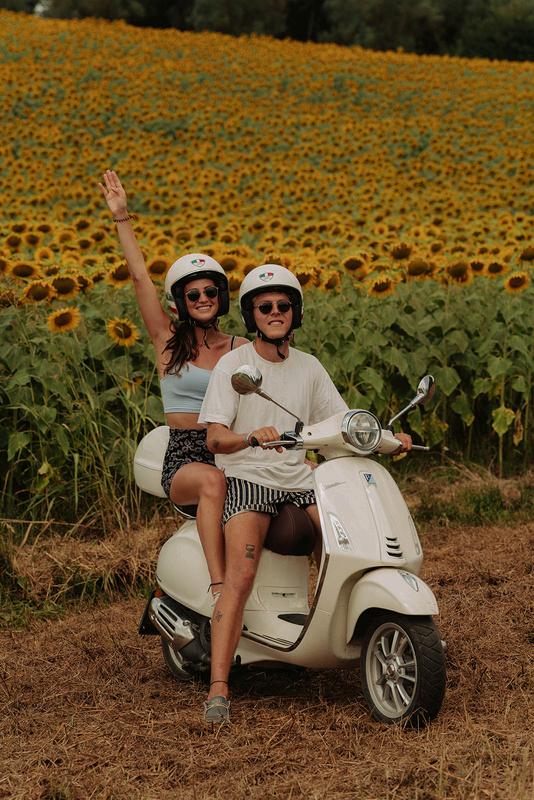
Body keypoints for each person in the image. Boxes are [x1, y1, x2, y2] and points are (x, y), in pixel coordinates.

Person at [198, 264, 412, 723]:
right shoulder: (236, 367)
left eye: (284, 305)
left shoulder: (309, 366)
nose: (275, 312)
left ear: (295, 312)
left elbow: (340, 421)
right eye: (265, 306)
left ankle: (341, 631)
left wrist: (388, 439)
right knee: (242, 573)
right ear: (252, 315)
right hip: (248, 478)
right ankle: (218, 689)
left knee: (343, 541)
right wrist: (251, 437)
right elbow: (214, 437)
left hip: (299, 479)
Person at [98, 169, 247, 621]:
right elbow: (140, 279)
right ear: (179, 302)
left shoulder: (241, 348)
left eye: (209, 291)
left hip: (233, 448)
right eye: (192, 293)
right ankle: (219, 590)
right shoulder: (167, 342)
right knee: (212, 483)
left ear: (220, 297)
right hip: (186, 455)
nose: (202, 298)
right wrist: (122, 216)